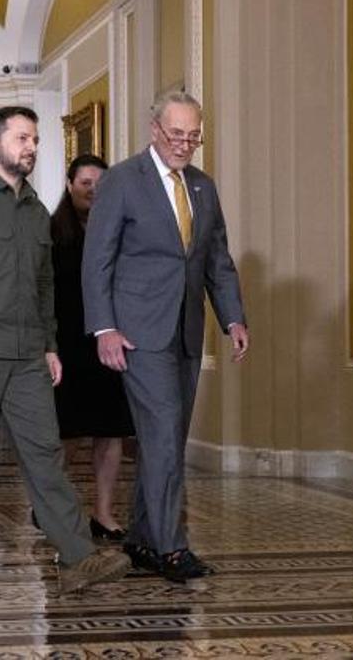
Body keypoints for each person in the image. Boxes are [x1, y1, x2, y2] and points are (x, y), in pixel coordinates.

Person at [0, 106, 130, 595]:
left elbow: (43, 286)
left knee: (45, 457)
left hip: (27, 358)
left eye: (35, 139)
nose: (31, 147)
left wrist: (50, 347)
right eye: (21, 138)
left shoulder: (37, 211)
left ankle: (78, 555)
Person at [83, 91, 249, 582]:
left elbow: (216, 258)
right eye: (176, 134)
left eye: (193, 136)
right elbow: (98, 260)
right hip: (136, 332)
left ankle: (140, 537)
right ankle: (172, 548)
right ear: (154, 129)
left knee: (167, 437)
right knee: (161, 437)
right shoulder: (121, 181)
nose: (184, 144)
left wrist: (233, 318)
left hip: (186, 329)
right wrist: (105, 327)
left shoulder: (202, 186)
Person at [51, 153, 134, 541]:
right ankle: (53, 508)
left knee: (110, 431)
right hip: (65, 346)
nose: (93, 190)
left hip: (108, 343)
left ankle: (103, 513)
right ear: (70, 185)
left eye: (100, 183)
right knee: (64, 435)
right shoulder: (52, 232)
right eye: (85, 182)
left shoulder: (121, 230)